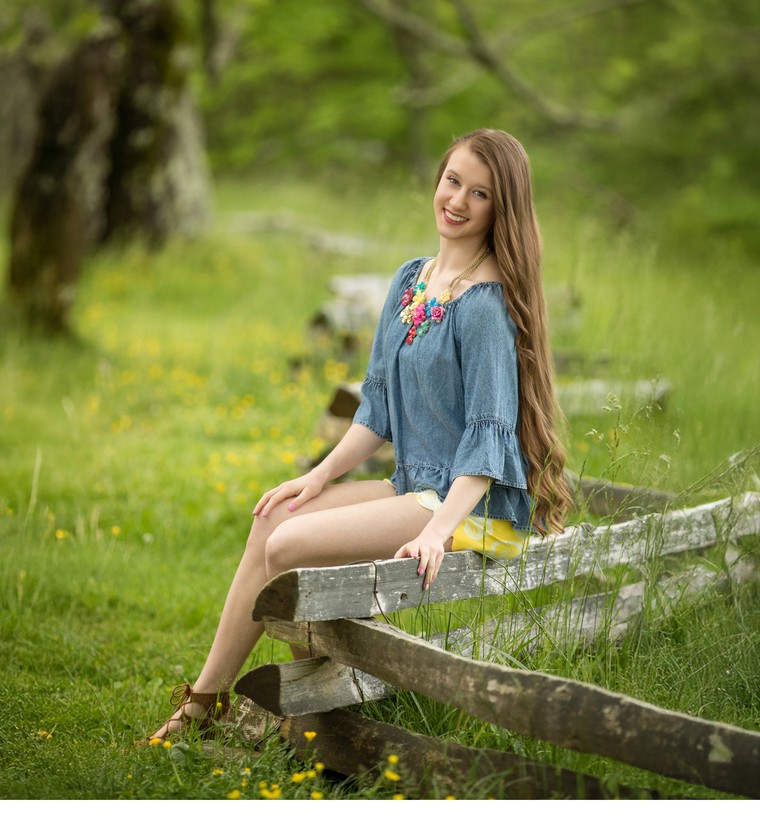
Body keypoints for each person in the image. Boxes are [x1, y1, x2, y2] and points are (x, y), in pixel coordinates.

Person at [144, 128, 571, 743]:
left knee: (288, 546)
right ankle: (204, 703)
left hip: (468, 506)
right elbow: (377, 411)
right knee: (276, 517)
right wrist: (317, 476)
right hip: (414, 486)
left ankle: (316, 717)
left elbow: (489, 439)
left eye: (479, 194)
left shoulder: (485, 306)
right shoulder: (410, 280)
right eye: (453, 181)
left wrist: (436, 530)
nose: (457, 201)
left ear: (500, 208)